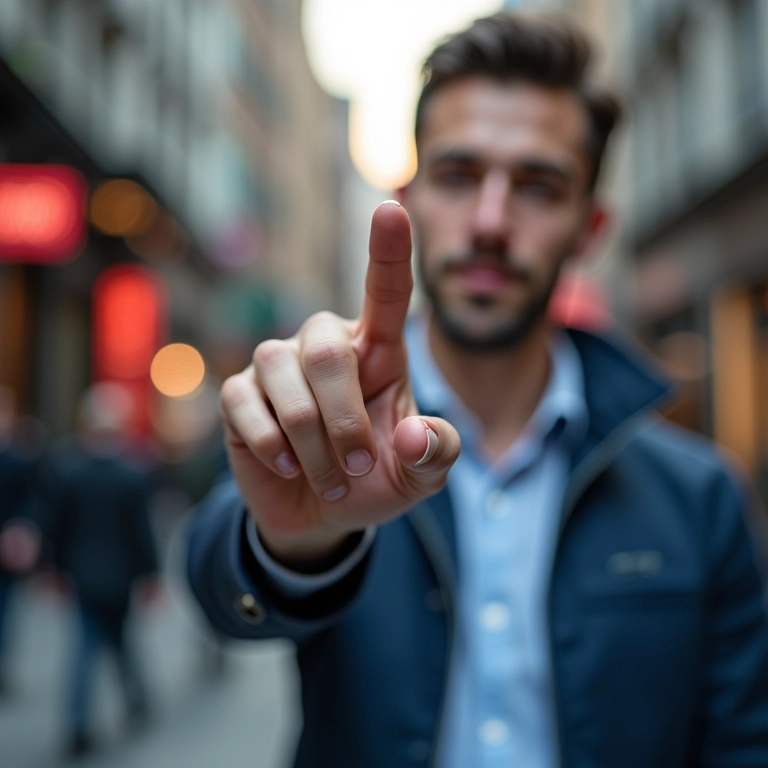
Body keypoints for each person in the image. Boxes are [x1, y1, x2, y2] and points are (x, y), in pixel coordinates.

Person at [187, 11, 768, 767]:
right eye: (459, 176)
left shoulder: (700, 498)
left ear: (588, 227)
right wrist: (295, 543)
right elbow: (218, 590)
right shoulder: (338, 432)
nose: (491, 222)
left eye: (538, 185)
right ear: (411, 196)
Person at [45, 383, 159, 757]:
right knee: (121, 642)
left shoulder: (68, 470)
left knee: (84, 650)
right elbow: (142, 532)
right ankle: (137, 700)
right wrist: (151, 576)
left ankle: (79, 722)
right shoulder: (133, 473)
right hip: (121, 575)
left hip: (82, 573)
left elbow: (57, 527)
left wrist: (54, 569)